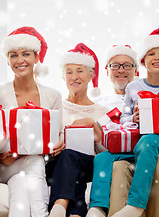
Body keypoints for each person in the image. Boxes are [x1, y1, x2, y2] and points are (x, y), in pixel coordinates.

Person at [89, 27, 159, 217]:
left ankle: (136, 205)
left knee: (150, 139)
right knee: (127, 156)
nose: (156, 57)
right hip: (140, 142)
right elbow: (124, 120)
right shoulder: (133, 88)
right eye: (151, 54)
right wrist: (134, 119)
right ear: (143, 62)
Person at [0, 26, 63, 217]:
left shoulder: (53, 96)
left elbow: (58, 133)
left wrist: (61, 143)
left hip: (38, 165)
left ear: (36, 58)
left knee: (21, 182)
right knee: (33, 162)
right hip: (6, 164)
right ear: (8, 60)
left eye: (26, 54)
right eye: (13, 55)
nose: (20, 60)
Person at [47, 43, 109, 217]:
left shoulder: (102, 111)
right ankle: (75, 214)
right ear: (63, 77)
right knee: (69, 158)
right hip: (57, 164)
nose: (74, 76)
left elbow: (107, 153)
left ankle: (58, 208)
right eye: (69, 72)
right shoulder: (55, 107)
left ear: (91, 75)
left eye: (80, 71)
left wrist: (97, 134)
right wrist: (53, 146)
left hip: (89, 164)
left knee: (71, 156)